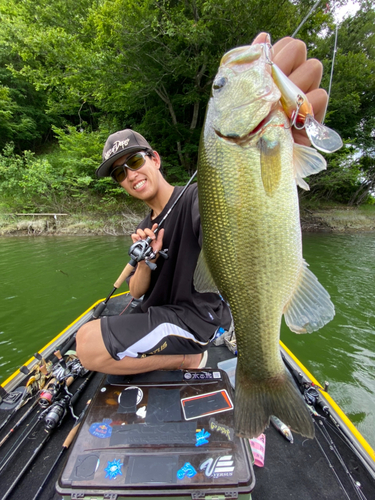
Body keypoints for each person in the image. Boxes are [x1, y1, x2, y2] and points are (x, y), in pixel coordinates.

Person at [76, 33, 328, 375]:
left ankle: (194, 358)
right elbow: (136, 291)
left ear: (155, 159)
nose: (129, 175)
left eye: (133, 162)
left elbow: (247, 218)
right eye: (119, 174)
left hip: (196, 320)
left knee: (87, 343)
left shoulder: (199, 198)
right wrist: (147, 260)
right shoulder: (143, 228)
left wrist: (283, 155)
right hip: (159, 314)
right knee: (93, 339)